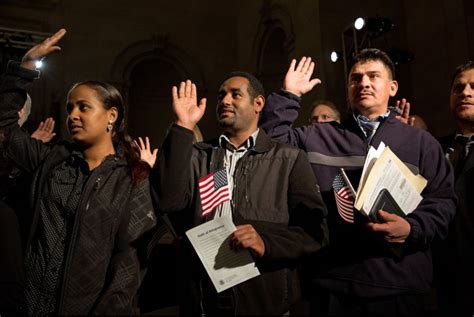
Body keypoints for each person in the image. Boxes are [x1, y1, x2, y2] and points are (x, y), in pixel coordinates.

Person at [260, 50, 456, 316]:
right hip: (332, 284)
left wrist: (412, 227)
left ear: (392, 87)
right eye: (356, 78)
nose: (363, 83)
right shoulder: (319, 136)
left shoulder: (421, 143)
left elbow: (443, 202)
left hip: (399, 285)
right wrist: (289, 95)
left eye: (373, 76)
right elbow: (268, 144)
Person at [0, 29, 156, 315]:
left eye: (84, 107)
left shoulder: (132, 179)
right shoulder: (51, 160)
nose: (72, 115)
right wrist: (24, 69)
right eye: (70, 107)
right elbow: (5, 127)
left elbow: (128, 265)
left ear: (112, 115)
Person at [151, 74, 328, 316]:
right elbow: (168, 201)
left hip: (265, 300)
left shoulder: (289, 158)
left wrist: (266, 243)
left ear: (258, 104)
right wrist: (183, 127)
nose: (225, 100)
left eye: (236, 94)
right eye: (221, 95)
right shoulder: (198, 155)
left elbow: (314, 232)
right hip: (203, 299)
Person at [436, 61, 474, 316]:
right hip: (448, 284)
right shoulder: (435, 150)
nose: (466, 93)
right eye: (458, 87)